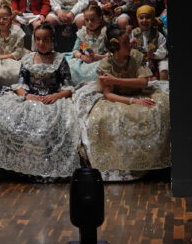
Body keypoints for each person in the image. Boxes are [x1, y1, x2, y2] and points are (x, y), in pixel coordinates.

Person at [73, 21, 171, 181]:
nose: (130, 44)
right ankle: (121, 163)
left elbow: (144, 82)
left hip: (140, 91)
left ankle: (152, 160)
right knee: (106, 118)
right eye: (125, 42)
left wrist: (116, 80)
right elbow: (109, 95)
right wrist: (132, 101)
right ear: (115, 46)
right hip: (118, 97)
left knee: (159, 109)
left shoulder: (136, 56)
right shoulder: (106, 65)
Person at [0, 23, 79, 179]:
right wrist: (26, 95)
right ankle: (22, 167)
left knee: (54, 123)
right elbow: (20, 85)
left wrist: (56, 96)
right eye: (38, 39)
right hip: (30, 98)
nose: (41, 43)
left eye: (45, 39)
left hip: (52, 100)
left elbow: (68, 87)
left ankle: (47, 166)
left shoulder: (59, 60)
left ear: (52, 40)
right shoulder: (27, 59)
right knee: (6, 114)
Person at [67, 2, 108, 85]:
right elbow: (75, 50)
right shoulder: (83, 33)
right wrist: (82, 56)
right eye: (87, 20)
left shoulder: (105, 33)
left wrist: (100, 57)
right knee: (72, 68)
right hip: (85, 60)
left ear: (100, 18)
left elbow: (113, 53)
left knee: (100, 70)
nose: (89, 22)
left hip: (100, 61)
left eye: (92, 20)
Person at [131, 5, 169, 80]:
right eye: (141, 18)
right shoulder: (133, 33)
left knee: (164, 65)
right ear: (137, 19)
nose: (144, 20)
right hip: (139, 60)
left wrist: (154, 55)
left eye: (148, 18)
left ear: (152, 20)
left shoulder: (158, 35)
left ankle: (162, 83)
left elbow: (163, 51)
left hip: (154, 59)